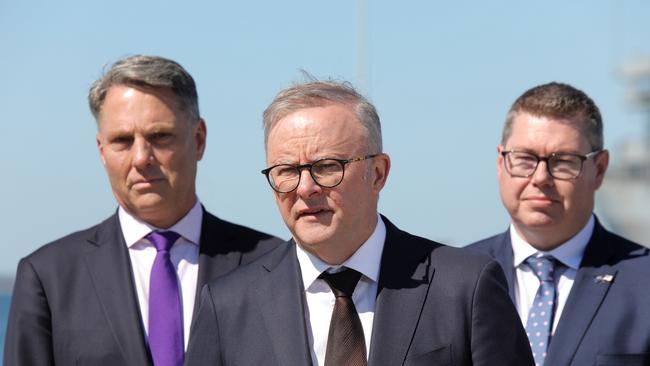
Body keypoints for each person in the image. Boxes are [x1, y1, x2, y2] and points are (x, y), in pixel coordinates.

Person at [185, 80, 534, 366]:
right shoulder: (228, 306)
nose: (306, 188)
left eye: (327, 167)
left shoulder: (465, 288)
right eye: (287, 171)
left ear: (378, 173)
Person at [4, 55, 282, 366]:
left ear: (199, 139)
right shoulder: (48, 277)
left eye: (160, 137)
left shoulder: (274, 264)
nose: (141, 158)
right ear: (102, 151)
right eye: (122, 140)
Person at [470, 82, 650, 366]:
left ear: (600, 169)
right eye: (525, 158)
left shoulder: (644, 285)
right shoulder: (451, 279)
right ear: (500, 164)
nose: (541, 177)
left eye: (563, 161)